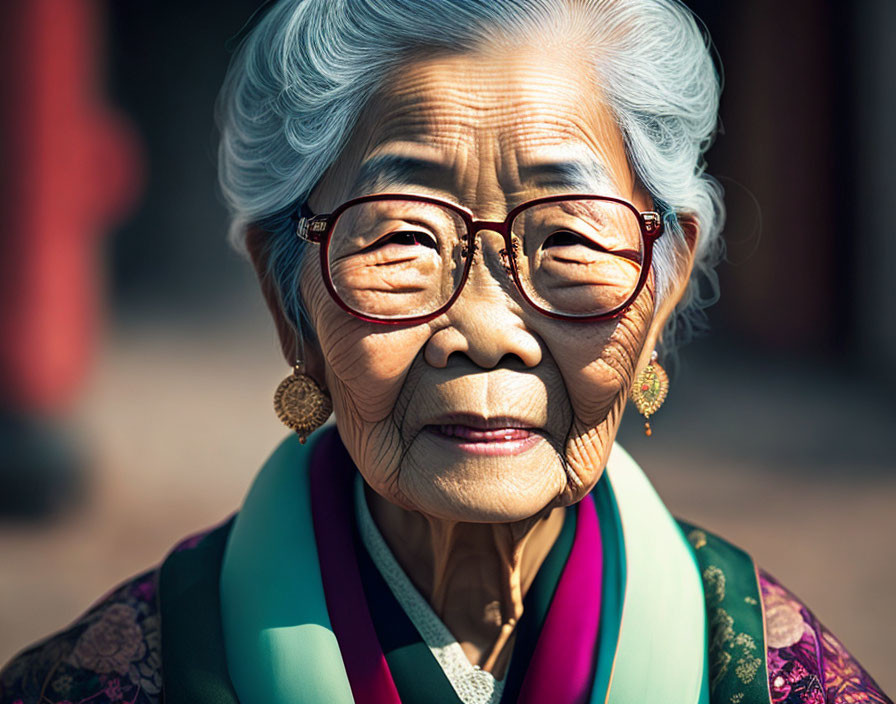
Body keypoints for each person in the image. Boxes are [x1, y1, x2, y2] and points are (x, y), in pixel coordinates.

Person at [1, 1, 890, 702]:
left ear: (660, 287)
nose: (487, 331)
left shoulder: (771, 679)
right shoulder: (116, 678)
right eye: (401, 241)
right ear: (289, 306)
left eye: (568, 240)